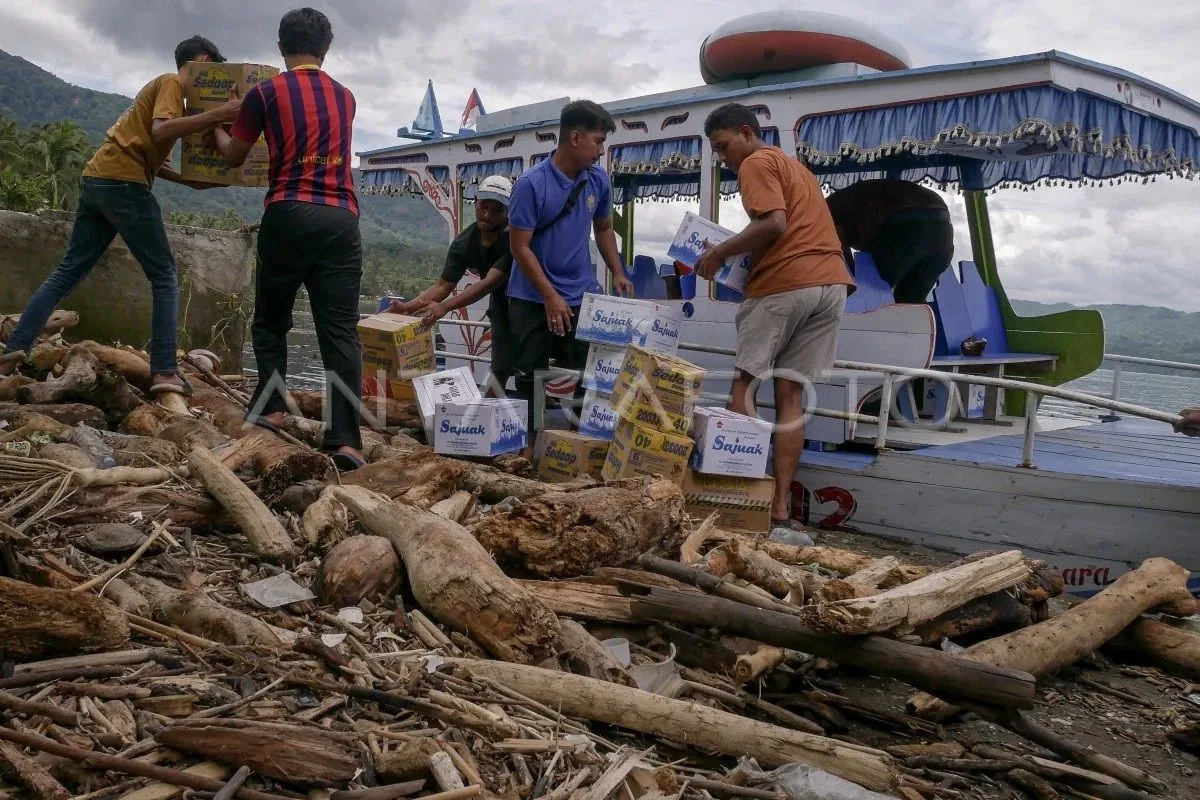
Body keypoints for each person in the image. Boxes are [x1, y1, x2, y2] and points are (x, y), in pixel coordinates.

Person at [0, 36, 241, 393]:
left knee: (68, 271)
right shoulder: (172, 83)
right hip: (124, 185)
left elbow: (144, 148)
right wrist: (222, 113)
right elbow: (160, 129)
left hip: (98, 179)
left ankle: (12, 353)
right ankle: (164, 370)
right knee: (164, 275)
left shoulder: (160, 91)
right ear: (204, 62)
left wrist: (188, 181)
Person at [212, 7, 365, 471]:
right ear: (327, 48)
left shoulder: (265, 93)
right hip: (342, 217)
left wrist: (215, 125)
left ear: (281, 47)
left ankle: (272, 408)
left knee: (271, 320)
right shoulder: (346, 97)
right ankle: (346, 442)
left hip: (289, 210)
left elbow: (234, 156)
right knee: (340, 332)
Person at [696, 102, 854, 537]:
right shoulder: (799, 170)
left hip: (787, 284)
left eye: (723, 146)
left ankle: (738, 501)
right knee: (791, 396)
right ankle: (780, 508)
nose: (723, 158)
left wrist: (718, 254)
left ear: (746, 133)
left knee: (744, 385)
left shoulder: (755, 162)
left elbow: (773, 224)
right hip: (832, 285)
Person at [506, 99, 634, 455]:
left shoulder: (598, 180)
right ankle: (528, 448)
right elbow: (519, 248)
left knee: (588, 368)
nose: (601, 150)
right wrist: (549, 296)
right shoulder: (531, 185)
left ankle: (577, 443)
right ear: (575, 138)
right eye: (598, 141)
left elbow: (604, 228)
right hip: (531, 296)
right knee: (530, 374)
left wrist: (618, 272)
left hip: (580, 292)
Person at [389, 176, 515, 395]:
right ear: (476, 202)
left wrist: (445, 306)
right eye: (484, 206)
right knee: (501, 365)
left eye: (497, 210)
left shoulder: (513, 237)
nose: (487, 215)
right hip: (501, 303)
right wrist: (408, 307)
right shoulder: (464, 243)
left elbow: (489, 282)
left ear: (508, 212)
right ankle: (488, 410)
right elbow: (443, 285)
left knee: (531, 365)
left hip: (528, 300)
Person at [825, 178, 953, 303]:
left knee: (867, 296)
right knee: (909, 305)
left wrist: (854, 283)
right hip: (943, 229)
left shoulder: (824, 213)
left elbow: (841, 254)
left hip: (908, 224)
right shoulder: (842, 203)